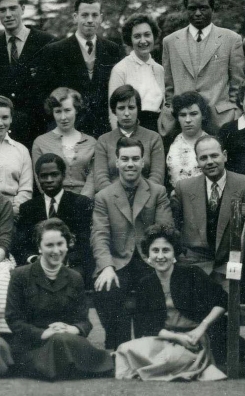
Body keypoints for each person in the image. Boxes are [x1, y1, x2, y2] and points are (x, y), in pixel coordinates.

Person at [88, 135, 174, 349]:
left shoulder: (157, 192)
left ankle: (148, 347)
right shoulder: (104, 196)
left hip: (150, 259)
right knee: (106, 287)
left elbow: (165, 230)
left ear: (143, 162)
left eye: (135, 159)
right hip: (118, 261)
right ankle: (118, 347)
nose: (130, 164)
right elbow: (99, 235)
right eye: (125, 159)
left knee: (152, 286)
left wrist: (159, 261)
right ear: (116, 162)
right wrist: (106, 267)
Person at [112, 226, 226, 381]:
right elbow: (145, 325)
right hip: (165, 338)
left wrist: (202, 327)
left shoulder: (192, 274)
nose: (160, 256)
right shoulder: (145, 283)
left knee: (169, 359)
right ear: (148, 256)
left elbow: (222, 300)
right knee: (123, 350)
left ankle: (164, 367)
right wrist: (174, 337)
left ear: (174, 254)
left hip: (193, 339)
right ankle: (162, 367)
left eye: (166, 250)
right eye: (155, 251)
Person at [8, 219, 114, 380]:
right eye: (49, 245)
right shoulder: (20, 275)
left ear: (67, 245)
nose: (56, 250)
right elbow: (14, 320)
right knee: (59, 342)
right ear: (39, 247)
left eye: (60, 244)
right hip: (33, 345)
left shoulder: (75, 277)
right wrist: (44, 333)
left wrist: (72, 329)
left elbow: (84, 321)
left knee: (62, 341)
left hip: (66, 339)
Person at [170, 136, 245, 275]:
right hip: (194, 266)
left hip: (231, 266)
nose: (210, 162)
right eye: (203, 158)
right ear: (197, 161)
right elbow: (175, 228)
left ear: (224, 156)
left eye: (214, 156)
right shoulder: (184, 188)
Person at [42, 0, 126, 137]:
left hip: (104, 130)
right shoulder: (55, 50)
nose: (90, 20)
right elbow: (48, 95)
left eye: (94, 15)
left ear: (101, 18)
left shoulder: (113, 49)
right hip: (70, 129)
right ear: (75, 17)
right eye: (84, 15)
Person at [15, 154, 92, 273]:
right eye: (44, 176)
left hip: (71, 266)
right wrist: (34, 259)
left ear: (63, 175)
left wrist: (65, 259)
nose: (49, 180)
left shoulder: (80, 203)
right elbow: (21, 244)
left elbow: (86, 242)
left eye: (54, 174)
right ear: (38, 178)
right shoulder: (28, 208)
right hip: (37, 267)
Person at [93, 85, 167, 191]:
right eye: (121, 108)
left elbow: (157, 177)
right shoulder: (103, 140)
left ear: (138, 109)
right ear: (114, 111)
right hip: (113, 202)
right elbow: (101, 180)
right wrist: (119, 199)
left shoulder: (154, 138)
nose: (126, 113)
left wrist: (141, 198)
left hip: (146, 200)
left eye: (131, 107)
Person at [33, 88, 97, 195]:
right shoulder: (40, 142)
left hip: (85, 204)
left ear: (76, 109)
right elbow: (41, 181)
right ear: (52, 112)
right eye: (58, 111)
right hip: (54, 203)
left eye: (67, 110)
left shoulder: (91, 142)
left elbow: (93, 178)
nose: (63, 117)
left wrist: (81, 204)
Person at [163, 92, 217, 184]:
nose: (188, 120)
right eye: (183, 115)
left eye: (193, 114)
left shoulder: (213, 142)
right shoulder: (168, 142)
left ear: (203, 115)